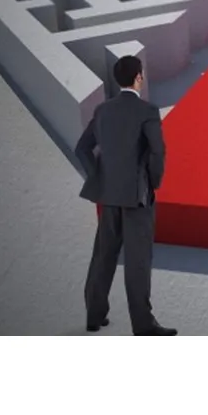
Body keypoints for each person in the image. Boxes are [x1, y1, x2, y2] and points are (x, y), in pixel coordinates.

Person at [74, 55, 178, 336]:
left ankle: (94, 316)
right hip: (137, 196)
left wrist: (98, 177)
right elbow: (157, 151)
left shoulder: (103, 110)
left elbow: (82, 149)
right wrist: (153, 182)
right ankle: (143, 324)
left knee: (103, 254)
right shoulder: (148, 111)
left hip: (108, 195)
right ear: (138, 77)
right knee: (137, 260)